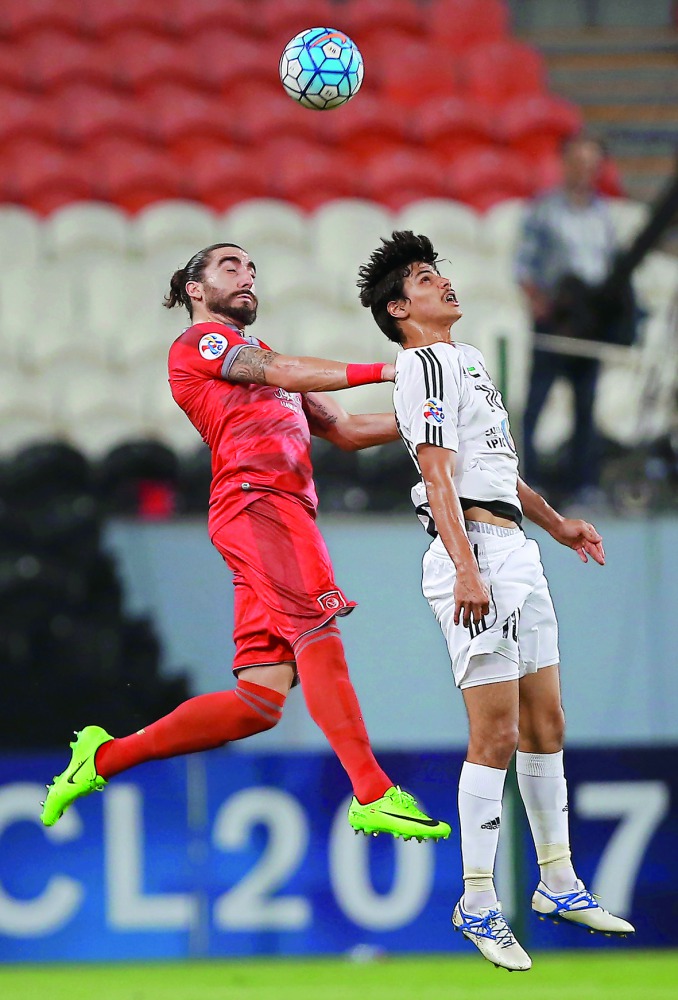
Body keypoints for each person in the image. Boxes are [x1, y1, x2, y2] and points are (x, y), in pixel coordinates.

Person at [41, 241, 451, 845]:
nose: (248, 276)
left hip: (278, 509)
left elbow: (344, 429)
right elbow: (284, 373)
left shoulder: (264, 356)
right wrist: (389, 369)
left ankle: (102, 759)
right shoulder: (200, 345)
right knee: (318, 630)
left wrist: (430, 413)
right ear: (195, 289)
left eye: (252, 268)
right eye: (231, 268)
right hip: (258, 502)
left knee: (257, 701)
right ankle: (372, 792)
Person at [357, 230, 634, 972]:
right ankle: (478, 897)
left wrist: (559, 524)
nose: (442, 283)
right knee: (498, 733)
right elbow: (440, 475)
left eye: (438, 271)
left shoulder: (471, 361)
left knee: (548, 722)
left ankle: (558, 882)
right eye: (422, 278)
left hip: (517, 548)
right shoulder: (420, 367)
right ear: (398, 307)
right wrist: (466, 569)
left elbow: (500, 472)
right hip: (472, 554)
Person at [515, 133, 618, 506]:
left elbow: (610, 264)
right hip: (555, 320)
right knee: (538, 400)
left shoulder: (603, 214)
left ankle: (583, 483)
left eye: (592, 165)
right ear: (564, 165)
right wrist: (541, 304)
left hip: (590, 321)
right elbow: (524, 264)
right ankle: (527, 477)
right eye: (578, 163)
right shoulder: (545, 210)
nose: (585, 172)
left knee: (586, 402)